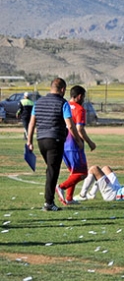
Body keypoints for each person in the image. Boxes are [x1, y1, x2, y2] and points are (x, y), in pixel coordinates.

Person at [26, 78, 83, 211]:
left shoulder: (38, 102)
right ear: (62, 89)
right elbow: (69, 124)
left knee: (50, 169)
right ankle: (48, 203)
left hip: (41, 140)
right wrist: (78, 140)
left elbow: (32, 123)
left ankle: (49, 199)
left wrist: (29, 141)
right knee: (53, 170)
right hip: (55, 139)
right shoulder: (62, 103)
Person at [58, 86, 97, 205]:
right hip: (74, 144)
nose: (84, 99)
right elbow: (79, 129)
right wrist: (90, 142)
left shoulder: (64, 105)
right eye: (83, 97)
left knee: (74, 173)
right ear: (79, 96)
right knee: (82, 173)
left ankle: (69, 198)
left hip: (63, 143)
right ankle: (61, 187)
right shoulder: (79, 109)